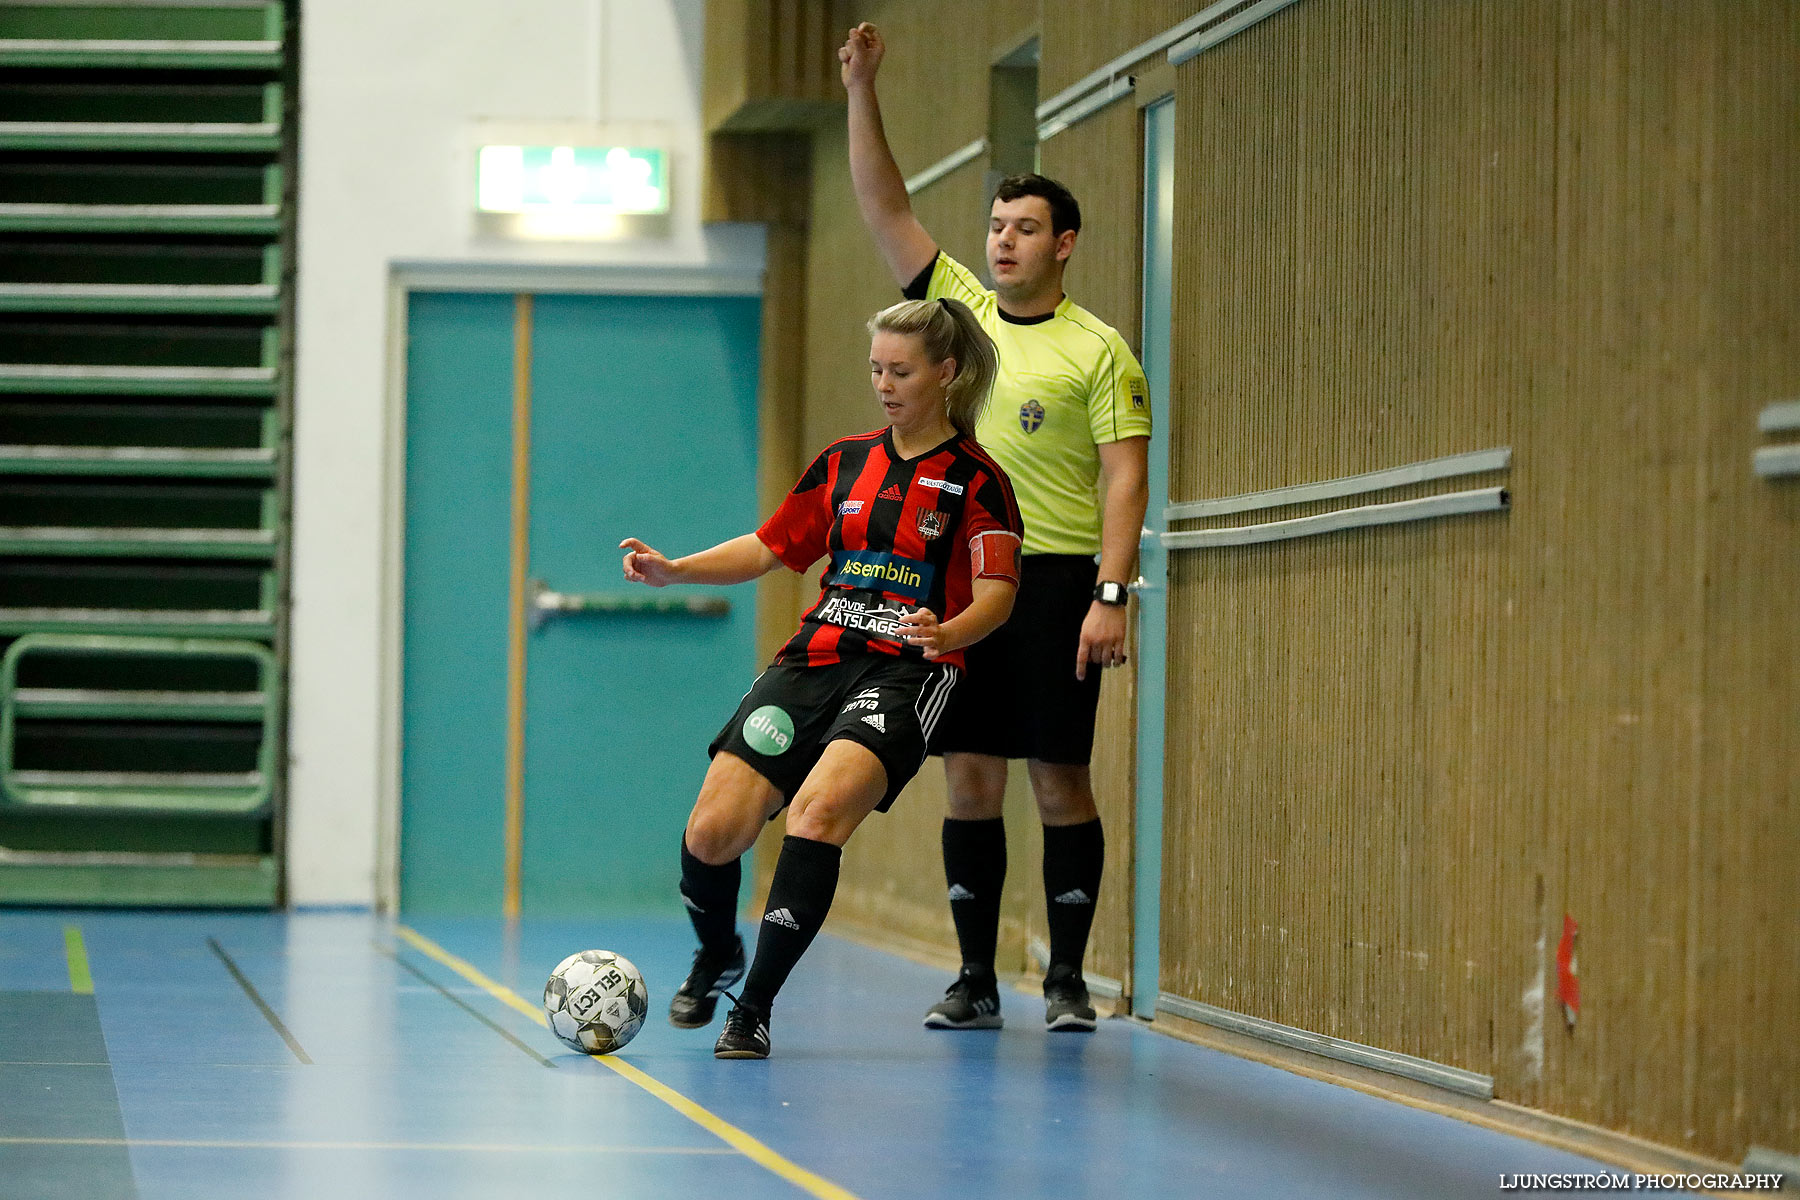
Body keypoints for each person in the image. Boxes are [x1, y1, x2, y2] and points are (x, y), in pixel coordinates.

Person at [839, 22, 1152, 1033]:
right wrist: (861, 87)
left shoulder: (1099, 351)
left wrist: (1109, 595)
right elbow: (883, 203)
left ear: (1062, 243)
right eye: (996, 224)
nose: (1002, 239)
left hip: (1059, 580)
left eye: (1024, 226)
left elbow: (1125, 477)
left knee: (1061, 779)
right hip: (961, 582)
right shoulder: (957, 312)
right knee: (967, 777)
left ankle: (1066, 981)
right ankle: (974, 980)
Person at [621, 298, 1023, 1059]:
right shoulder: (844, 463)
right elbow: (772, 545)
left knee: (817, 813)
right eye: (876, 368)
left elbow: (998, 595)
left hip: (908, 673)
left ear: (947, 373)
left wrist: (950, 631)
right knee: (712, 834)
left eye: (900, 370)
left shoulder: (979, 482)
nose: (884, 384)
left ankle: (755, 1008)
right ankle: (717, 953)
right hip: (814, 660)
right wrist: (675, 571)